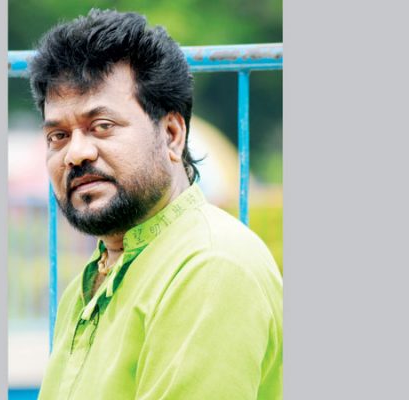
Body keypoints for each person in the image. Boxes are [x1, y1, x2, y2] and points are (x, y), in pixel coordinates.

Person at [28, 9, 283, 400]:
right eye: (58, 136)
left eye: (102, 126)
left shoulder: (210, 267)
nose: (75, 153)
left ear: (172, 134)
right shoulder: (91, 282)